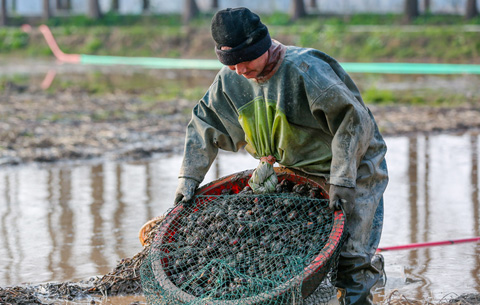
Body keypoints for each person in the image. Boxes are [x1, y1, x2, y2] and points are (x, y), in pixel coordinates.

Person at [174, 7, 388, 305]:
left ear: (262, 46)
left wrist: (342, 179)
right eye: (231, 63)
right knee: (294, 251)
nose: (239, 70)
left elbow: (353, 123)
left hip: (351, 166)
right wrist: (189, 177)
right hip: (296, 171)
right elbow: (204, 124)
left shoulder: (306, 70)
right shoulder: (231, 80)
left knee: (351, 256)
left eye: (245, 60)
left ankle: (361, 286)